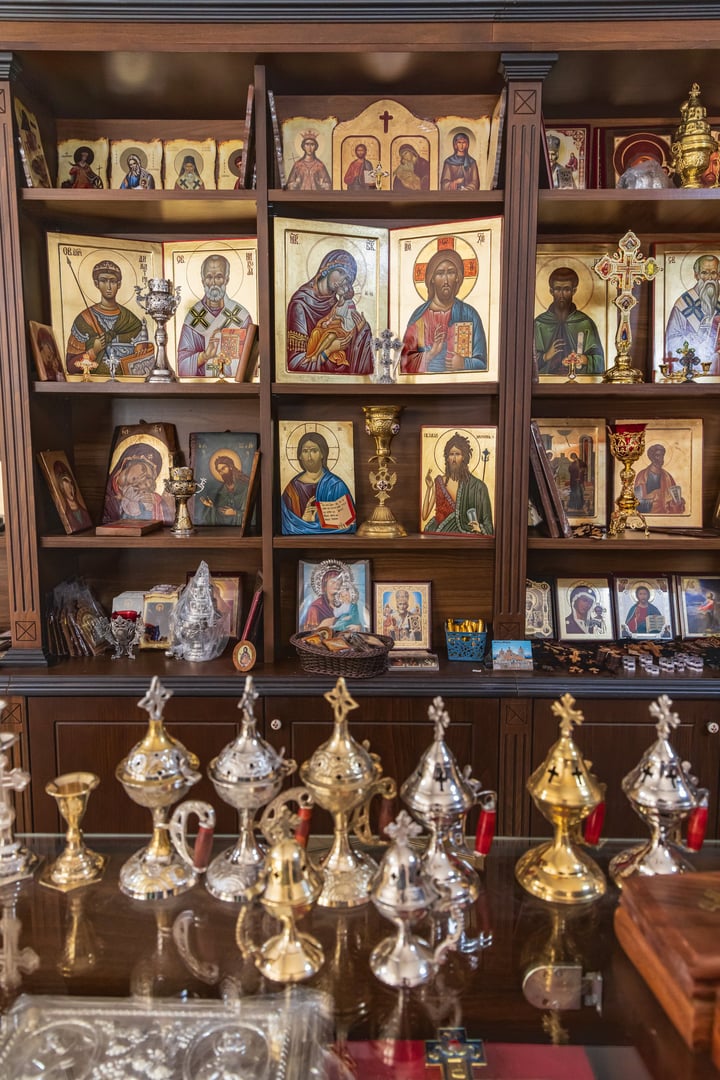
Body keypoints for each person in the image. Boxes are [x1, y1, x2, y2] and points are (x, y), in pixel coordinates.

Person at [285, 249, 373, 375]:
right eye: (341, 272)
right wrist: (329, 350)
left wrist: (361, 331)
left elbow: (347, 339)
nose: (342, 281)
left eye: (347, 279)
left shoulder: (338, 305)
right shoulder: (300, 304)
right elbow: (295, 364)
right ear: (327, 269)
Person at [400, 247, 487, 374]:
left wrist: (464, 363)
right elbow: (404, 364)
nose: (446, 281)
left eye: (451, 273)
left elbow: (483, 363)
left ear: (457, 277)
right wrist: (431, 353)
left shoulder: (469, 315)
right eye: (440, 274)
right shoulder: (419, 317)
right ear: (432, 278)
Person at [65, 259, 153, 376]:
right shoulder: (84, 320)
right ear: (96, 283)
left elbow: (147, 360)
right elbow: (70, 366)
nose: (109, 287)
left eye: (113, 281)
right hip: (94, 383)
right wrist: (94, 351)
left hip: (128, 383)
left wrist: (142, 351)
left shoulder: (131, 321)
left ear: (119, 284)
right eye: (103, 281)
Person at [176, 253, 252, 377]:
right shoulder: (193, 318)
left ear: (226, 280)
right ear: (202, 281)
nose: (213, 283)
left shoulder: (241, 316)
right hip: (200, 386)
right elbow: (182, 367)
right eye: (209, 277)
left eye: (219, 277)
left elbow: (250, 363)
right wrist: (205, 356)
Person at [534, 266, 605, 376]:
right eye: (558, 289)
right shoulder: (539, 324)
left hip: (579, 382)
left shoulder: (585, 323)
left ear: (574, 291)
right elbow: (525, 362)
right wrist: (545, 356)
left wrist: (584, 359)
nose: (561, 295)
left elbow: (600, 362)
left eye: (566, 289)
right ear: (551, 291)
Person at [281, 430, 356, 535]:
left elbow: (350, 524)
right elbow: (286, 524)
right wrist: (304, 519)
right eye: (305, 451)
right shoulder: (292, 489)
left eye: (314, 451)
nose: (309, 457)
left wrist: (310, 522)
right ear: (300, 456)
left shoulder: (336, 485)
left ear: (322, 454)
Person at [422, 431, 493, 535]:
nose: (454, 459)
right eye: (451, 454)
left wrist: (480, 528)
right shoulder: (439, 481)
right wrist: (429, 488)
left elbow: (488, 526)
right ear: (447, 458)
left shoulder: (478, 486)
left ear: (464, 457)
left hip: (464, 533)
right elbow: (424, 516)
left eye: (457, 454)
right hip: (439, 532)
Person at [664, 254, 720, 374]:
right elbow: (671, 341)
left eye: (713, 273)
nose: (709, 278)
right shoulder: (683, 304)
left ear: (718, 275)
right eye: (704, 273)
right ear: (696, 275)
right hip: (692, 369)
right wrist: (696, 338)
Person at [103, 443, 170, 523]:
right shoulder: (106, 494)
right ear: (130, 462)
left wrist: (156, 503)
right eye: (143, 469)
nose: (142, 477)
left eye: (148, 477)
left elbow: (165, 517)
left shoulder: (150, 497)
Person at [196, 453, 249, 526]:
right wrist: (212, 507)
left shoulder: (245, 487)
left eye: (223, 468)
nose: (222, 473)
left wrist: (235, 513)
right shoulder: (221, 491)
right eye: (219, 471)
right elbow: (220, 515)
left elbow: (252, 514)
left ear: (230, 467)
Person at [634, 443, 686, 515]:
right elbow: (637, 504)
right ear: (652, 458)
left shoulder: (668, 477)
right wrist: (654, 497)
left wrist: (676, 503)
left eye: (662, 455)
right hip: (649, 516)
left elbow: (672, 501)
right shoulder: (642, 476)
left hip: (665, 515)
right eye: (657, 455)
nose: (661, 458)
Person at [53, 460, 92, 532]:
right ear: (62, 489)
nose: (71, 488)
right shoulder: (66, 514)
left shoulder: (84, 512)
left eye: (71, 483)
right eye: (66, 483)